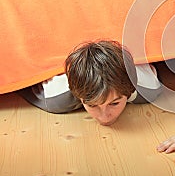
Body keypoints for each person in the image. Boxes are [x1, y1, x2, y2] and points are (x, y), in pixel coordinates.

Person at [18, 40, 162, 126]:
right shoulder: (55, 98)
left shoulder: (148, 89)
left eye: (114, 103)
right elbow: (22, 78)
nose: (104, 117)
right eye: (92, 105)